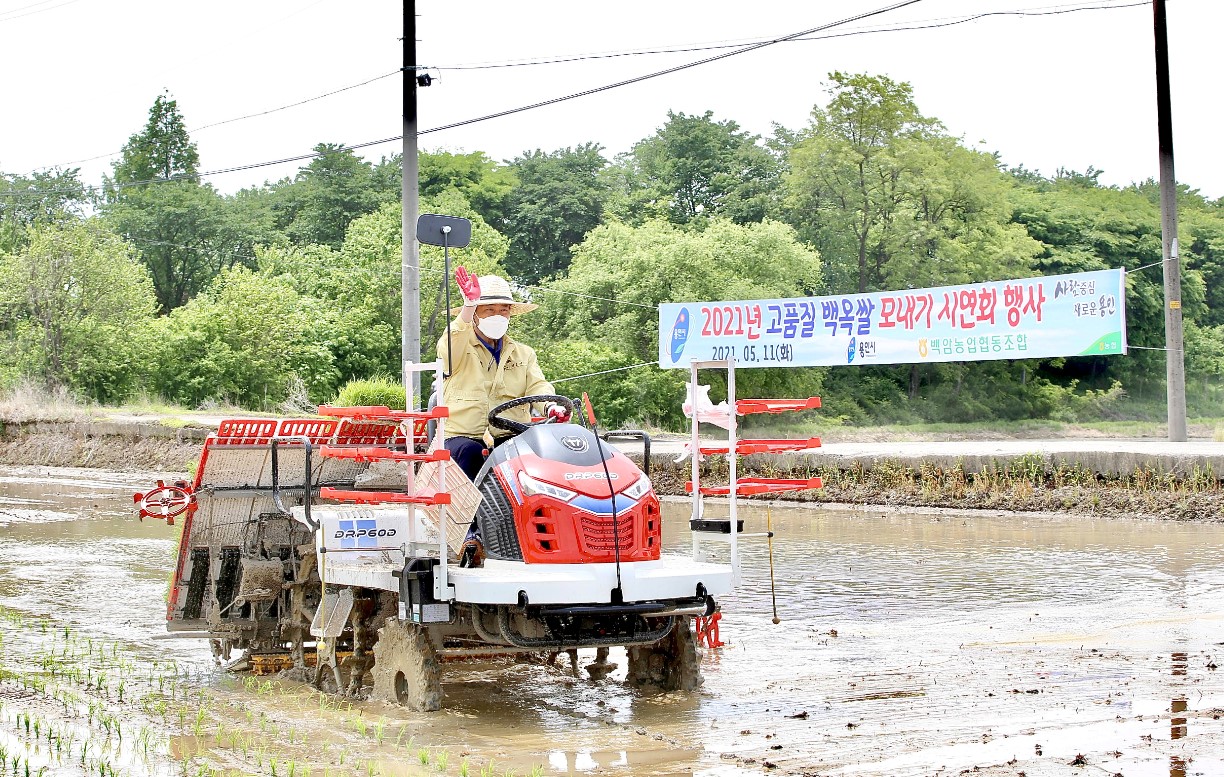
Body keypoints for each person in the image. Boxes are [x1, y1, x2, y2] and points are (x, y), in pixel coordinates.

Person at [437, 266, 569, 482]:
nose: (497, 316)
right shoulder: (458, 347)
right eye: (489, 310)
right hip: (464, 435)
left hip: (511, 433)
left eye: (503, 310)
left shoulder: (524, 353)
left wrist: (551, 406)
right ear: (475, 314)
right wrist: (467, 307)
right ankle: (471, 506)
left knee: (535, 457)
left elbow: (537, 386)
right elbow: (448, 346)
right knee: (470, 452)